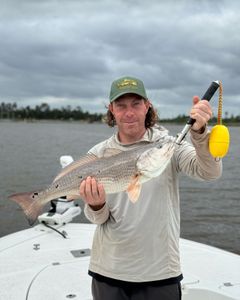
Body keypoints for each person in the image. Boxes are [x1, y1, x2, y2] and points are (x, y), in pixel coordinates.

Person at [80, 76, 222, 300]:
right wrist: (96, 205)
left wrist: (200, 133)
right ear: (111, 110)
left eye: (136, 104)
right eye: (121, 105)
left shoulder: (168, 145)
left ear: (147, 106)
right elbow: (98, 219)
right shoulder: (98, 154)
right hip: (108, 270)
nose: (129, 112)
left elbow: (209, 172)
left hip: (160, 272)